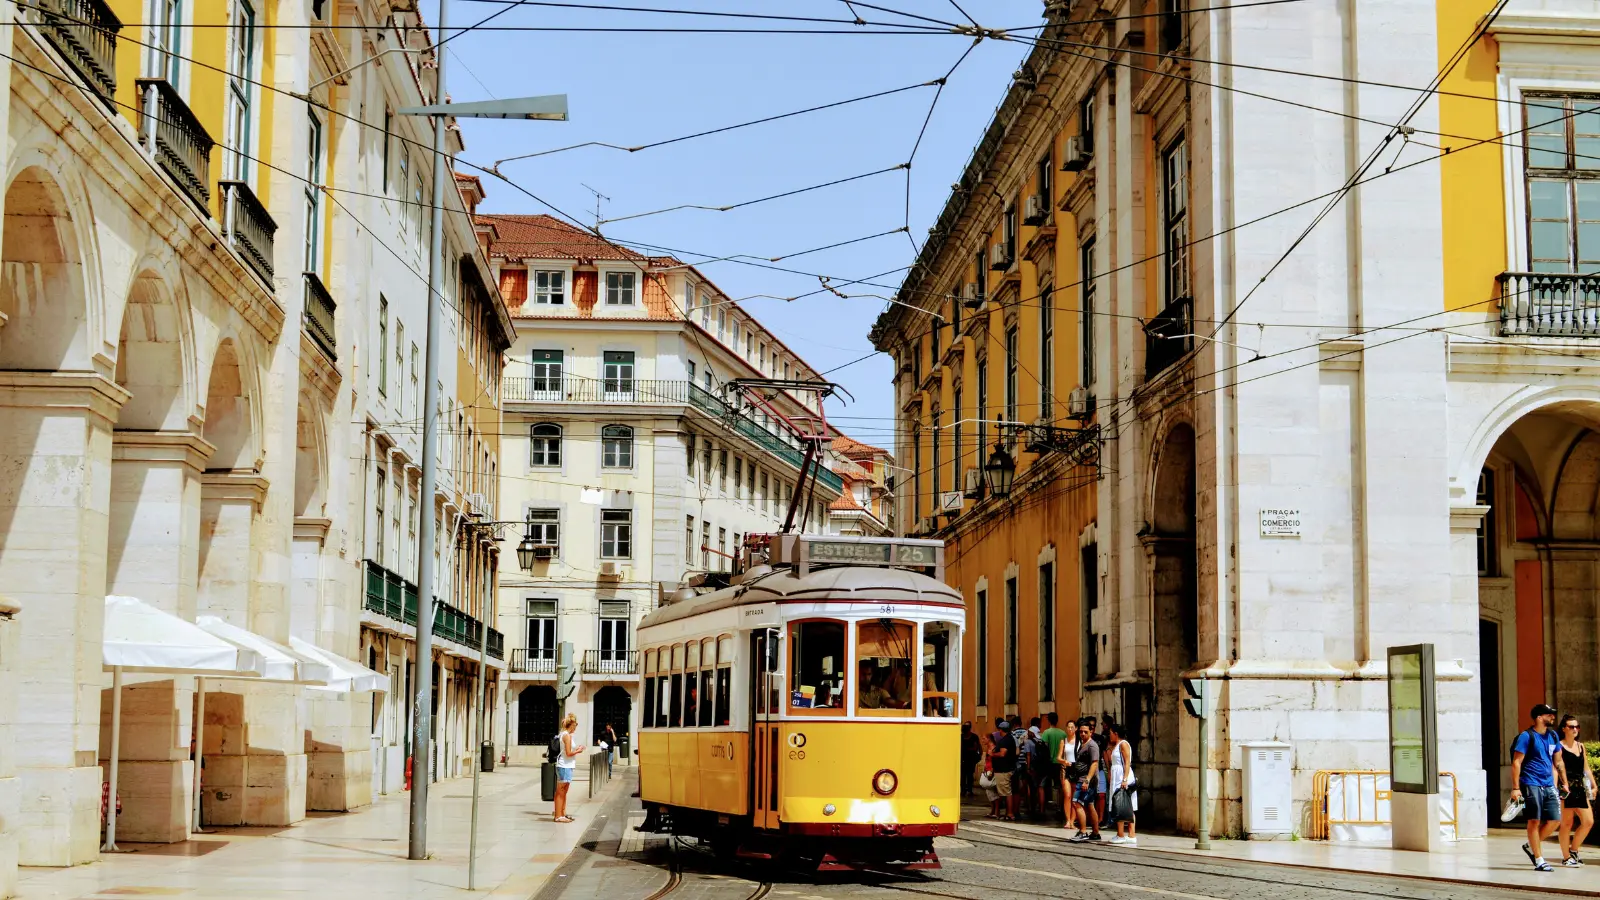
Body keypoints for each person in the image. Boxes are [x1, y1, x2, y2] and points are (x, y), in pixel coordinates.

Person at [1512, 703, 1570, 871]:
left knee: (1555, 820)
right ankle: (1539, 859)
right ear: (1539, 717)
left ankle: (1531, 846)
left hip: (1548, 784)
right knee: (1534, 820)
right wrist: (1516, 788)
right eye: (1549, 714)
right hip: (1531, 783)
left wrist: (1564, 783)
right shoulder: (1526, 736)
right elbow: (1517, 762)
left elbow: (1558, 761)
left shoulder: (1552, 736)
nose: (1552, 717)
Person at [1558, 714, 1596, 867]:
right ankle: (1566, 857)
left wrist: (1594, 784)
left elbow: (1585, 767)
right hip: (1566, 788)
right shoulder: (1558, 746)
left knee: (1588, 821)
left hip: (1580, 787)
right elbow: (1557, 768)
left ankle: (1573, 849)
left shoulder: (1580, 746)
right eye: (1571, 726)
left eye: (1577, 727)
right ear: (1564, 729)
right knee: (1566, 824)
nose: (1575, 729)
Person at [1068, 717, 1102, 842]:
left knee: (1077, 803)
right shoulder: (1082, 743)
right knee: (1089, 805)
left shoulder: (1092, 745)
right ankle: (1095, 832)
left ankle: (1083, 831)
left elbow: (1094, 763)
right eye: (1081, 731)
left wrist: (1087, 780)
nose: (1083, 734)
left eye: (1085, 732)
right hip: (1082, 779)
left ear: (1091, 732)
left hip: (1086, 780)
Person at [1105, 719, 1138, 845]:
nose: (1109, 735)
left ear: (1116, 733)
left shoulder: (1123, 744)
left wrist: (1124, 779)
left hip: (1122, 778)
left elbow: (1127, 762)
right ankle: (1130, 834)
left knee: (1121, 805)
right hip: (1118, 776)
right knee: (1127, 806)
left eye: (1110, 733)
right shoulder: (1116, 745)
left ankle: (1121, 835)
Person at [553, 713, 585, 823]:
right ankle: (558, 816)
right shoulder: (566, 735)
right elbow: (568, 753)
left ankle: (562, 813)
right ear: (571, 724)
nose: (576, 726)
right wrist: (578, 751)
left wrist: (577, 748)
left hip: (568, 765)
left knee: (564, 791)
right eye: (575, 724)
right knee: (561, 791)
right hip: (564, 765)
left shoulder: (567, 735)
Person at [1040, 712, 1070, 819]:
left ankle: (1042, 810)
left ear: (1049, 720)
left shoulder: (1046, 733)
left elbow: (1044, 748)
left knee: (1042, 786)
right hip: (1060, 763)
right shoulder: (1063, 733)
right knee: (1060, 787)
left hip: (1049, 763)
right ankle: (1061, 808)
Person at [989, 719, 1018, 821]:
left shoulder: (1006, 740)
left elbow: (1002, 754)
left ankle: (1010, 813)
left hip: (1004, 770)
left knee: (1006, 792)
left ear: (1001, 730)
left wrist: (992, 754)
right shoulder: (1009, 738)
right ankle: (1008, 813)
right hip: (1005, 769)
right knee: (1006, 792)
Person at [960, 722, 983, 797]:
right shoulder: (961, 736)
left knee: (969, 775)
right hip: (963, 758)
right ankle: (964, 790)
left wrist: (967, 749)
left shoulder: (973, 737)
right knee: (963, 775)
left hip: (970, 759)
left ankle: (968, 790)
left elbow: (976, 747)